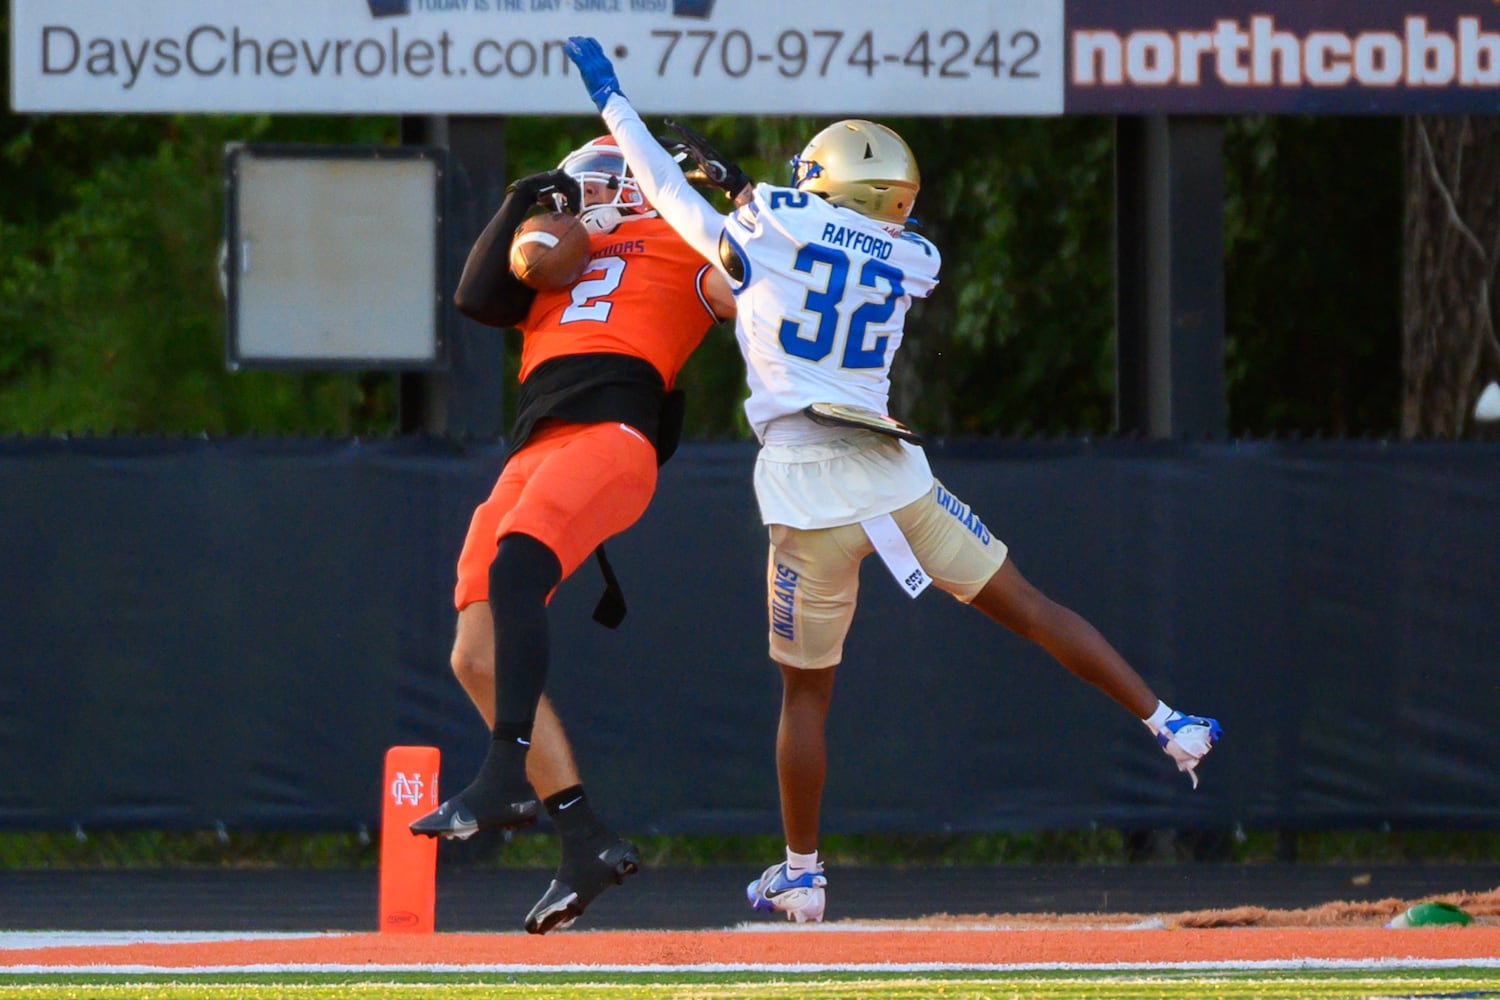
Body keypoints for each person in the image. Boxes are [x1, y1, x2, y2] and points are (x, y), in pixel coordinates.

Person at [563, 36, 1224, 924]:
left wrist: (613, 100)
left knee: (806, 695)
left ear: (821, 181)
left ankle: (803, 872)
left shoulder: (773, 225)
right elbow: (814, 236)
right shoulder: (916, 260)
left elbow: (679, 197)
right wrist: (748, 193)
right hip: (896, 480)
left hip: (804, 490)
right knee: (1031, 607)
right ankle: (1168, 723)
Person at [408, 135, 735, 934]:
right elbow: (474, 298)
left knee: (518, 565)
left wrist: (740, 206)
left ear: (637, 183)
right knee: (474, 650)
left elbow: (756, 291)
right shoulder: (554, 258)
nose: (581, 195)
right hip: (539, 445)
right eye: (574, 184)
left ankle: (502, 774)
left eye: (596, 181)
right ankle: (583, 837)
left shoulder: (682, 235)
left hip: (612, 435)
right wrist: (523, 196)